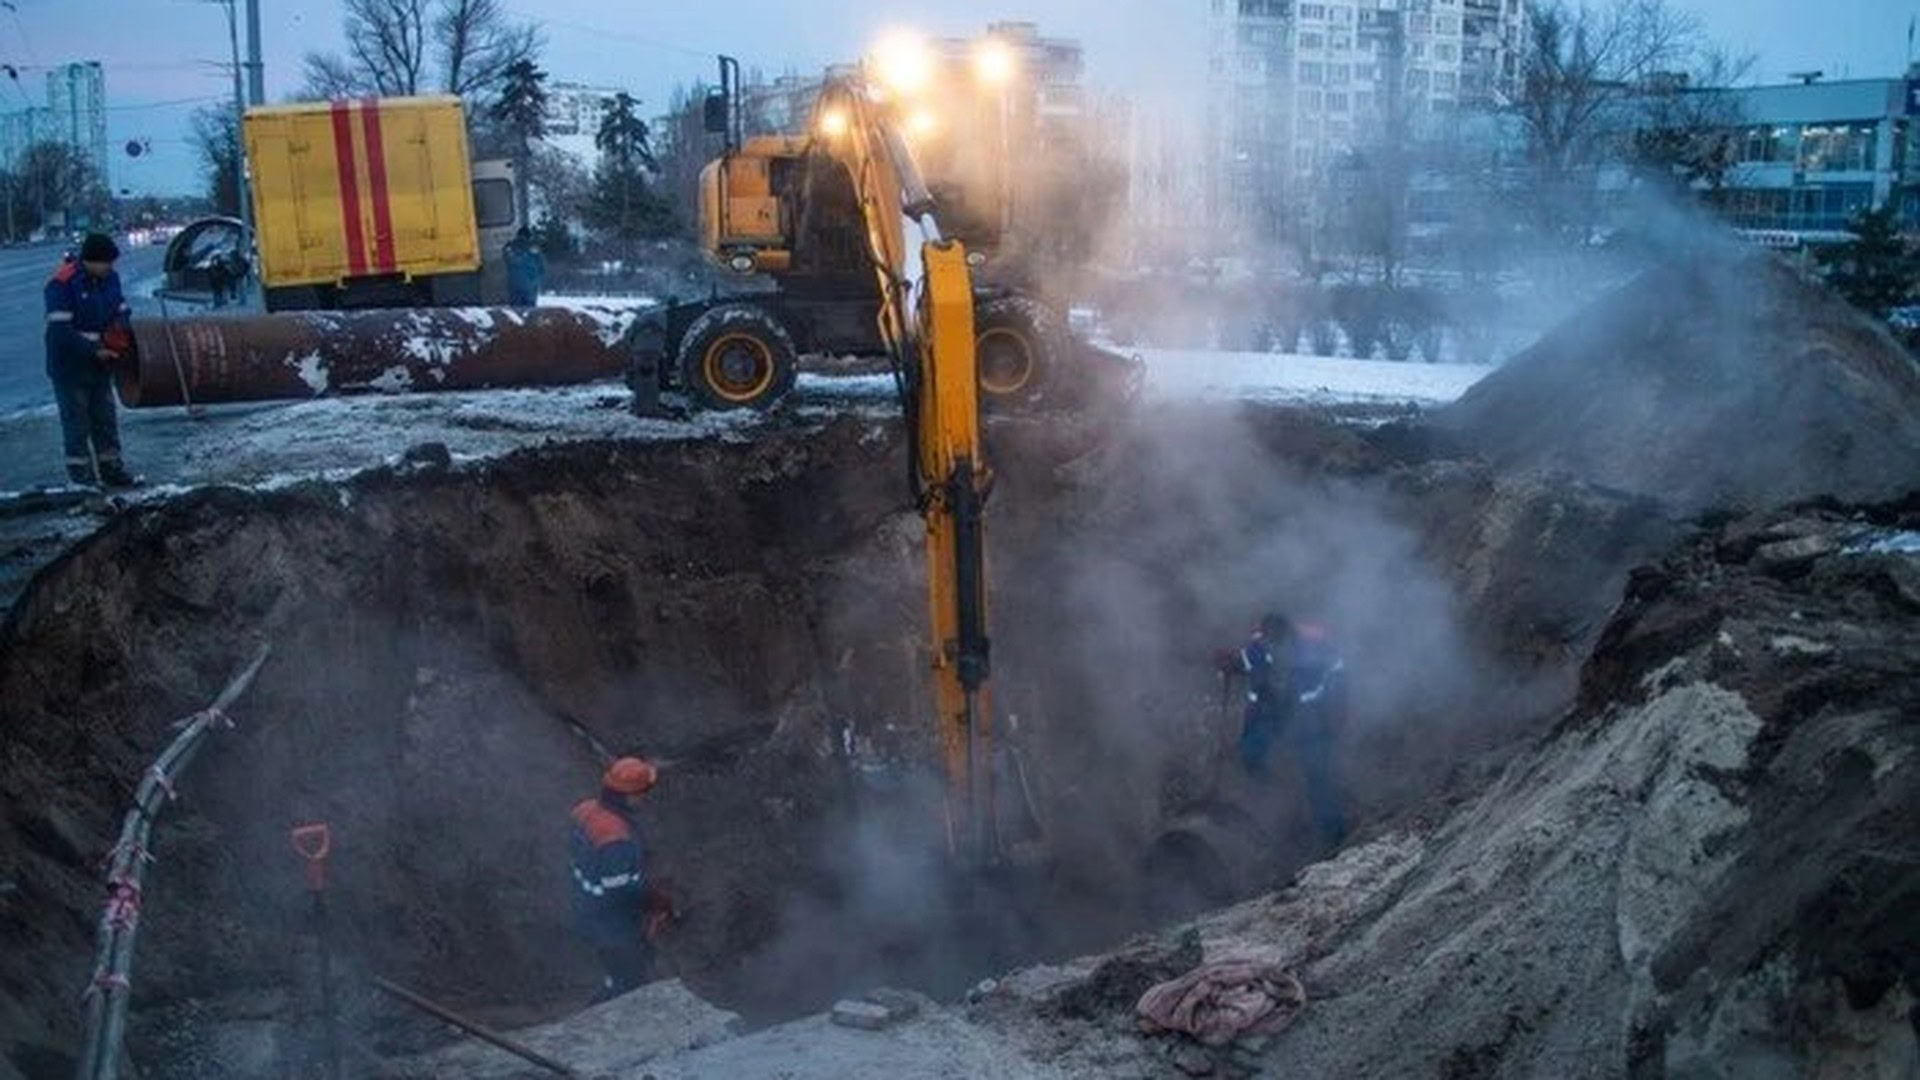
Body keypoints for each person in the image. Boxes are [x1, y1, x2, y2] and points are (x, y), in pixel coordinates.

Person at [1215, 612, 1348, 849]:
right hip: (1274, 714)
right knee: (1250, 754)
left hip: (1311, 719)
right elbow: (1244, 662)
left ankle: (1333, 836)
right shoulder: (1259, 648)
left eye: (1277, 642)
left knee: (1317, 775)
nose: (1271, 646)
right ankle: (1279, 793)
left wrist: (1336, 707)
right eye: (1268, 641)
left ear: (1289, 637)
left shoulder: (1313, 650)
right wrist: (1229, 662)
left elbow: (1337, 668)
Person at [569, 756, 670, 1001]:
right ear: (631, 796)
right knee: (628, 978)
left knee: (617, 970)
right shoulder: (615, 839)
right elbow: (619, 889)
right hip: (609, 919)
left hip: (584, 902)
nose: (647, 798)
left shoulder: (587, 810)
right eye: (645, 793)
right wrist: (653, 900)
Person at [44, 234, 136, 488]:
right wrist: (94, 350)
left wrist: (120, 331)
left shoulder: (109, 280)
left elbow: (122, 309)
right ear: (91, 261)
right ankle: (81, 475)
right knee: (77, 421)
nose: (110, 268)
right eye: (106, 263)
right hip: (70, 366)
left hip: (101, 363)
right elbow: (61, 331)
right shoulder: (62, 284)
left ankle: (111, 468)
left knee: (104, 418)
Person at [504, 227, 546, 307]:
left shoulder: (510, 247)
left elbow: (506, 260)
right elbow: (542, 268)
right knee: (529, 312)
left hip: (514, 287)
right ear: (529, 237)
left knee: (515, 312)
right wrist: (536, 280)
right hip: (530, 287)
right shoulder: (533, 249)